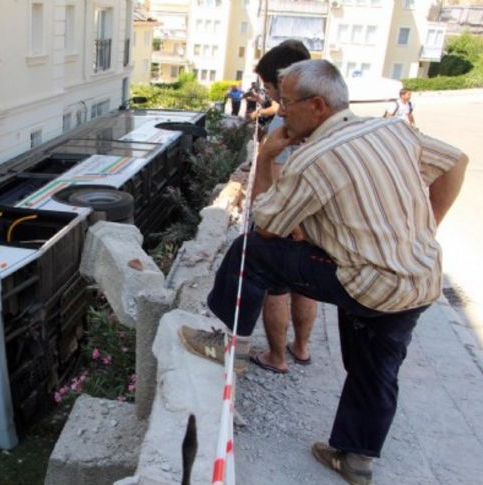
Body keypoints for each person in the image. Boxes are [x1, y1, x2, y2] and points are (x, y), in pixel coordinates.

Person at [180, 60, 467, 484]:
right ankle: (355, 459)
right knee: (377, 362)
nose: (279, 112)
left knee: (250, 252)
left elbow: (267, 224)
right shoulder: (391, 130)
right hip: (420, 278)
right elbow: (456, 162)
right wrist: (426, 232)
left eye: (286, 103)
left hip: (367, 280)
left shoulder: (315, 157)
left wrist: (269, 158)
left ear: (317, 105)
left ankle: (222, 344)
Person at [248, 39, 317, 374]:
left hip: (287, 223)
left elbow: (276, 176)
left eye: (269, 87)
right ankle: (301, 348)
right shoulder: (319, 116)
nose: (271, 95)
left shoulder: (283, 125)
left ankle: (277, 357)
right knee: (306, 290)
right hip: (314, 223)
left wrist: (278, 223)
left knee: (276, 290)